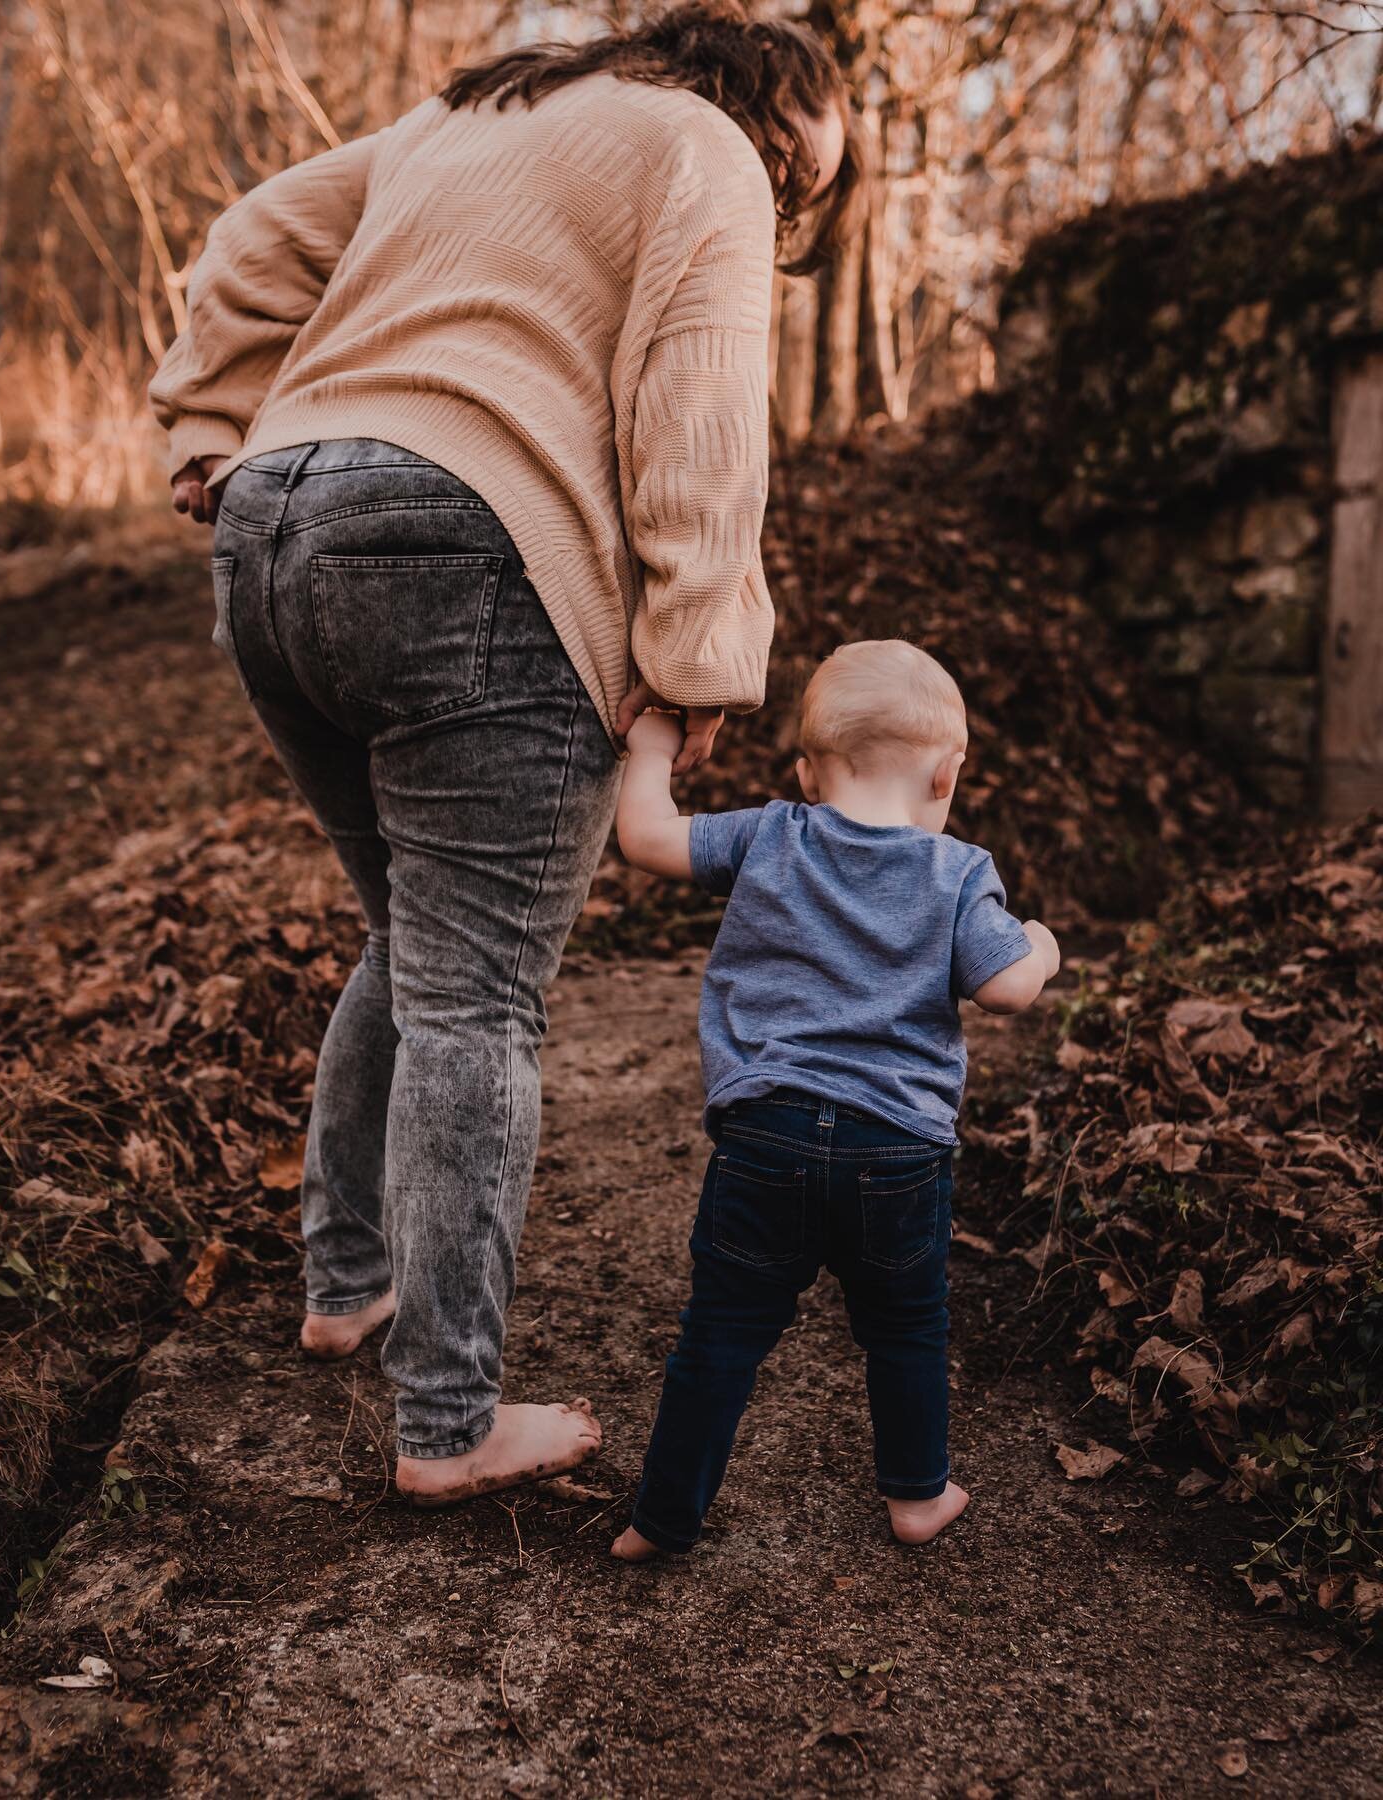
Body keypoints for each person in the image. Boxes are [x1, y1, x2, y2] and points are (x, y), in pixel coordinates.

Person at [147, 4, 862, 1505]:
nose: (790, 210)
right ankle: (449, 1422)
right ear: (769, 108)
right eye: (804, 184)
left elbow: (251, 235)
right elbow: (702, 407)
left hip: (274, 528)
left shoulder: (469, 121)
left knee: (413, 940)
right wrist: (699, 655)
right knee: (477, 992)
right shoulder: (706, 150)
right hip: (477, 546)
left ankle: (348, 1283)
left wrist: (211, 424)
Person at [607, 640, 1061, 1558]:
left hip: (764, 1132)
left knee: (721, 1332)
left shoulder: (770, 834)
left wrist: (651, 750)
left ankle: (662, 1517)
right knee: (906, 1326)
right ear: (948, 771)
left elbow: (648, 839)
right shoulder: (959, 872)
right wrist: (1042, 943)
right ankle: (916, 1495)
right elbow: (1008, 987)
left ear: (809, 774)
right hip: (896, 1150)